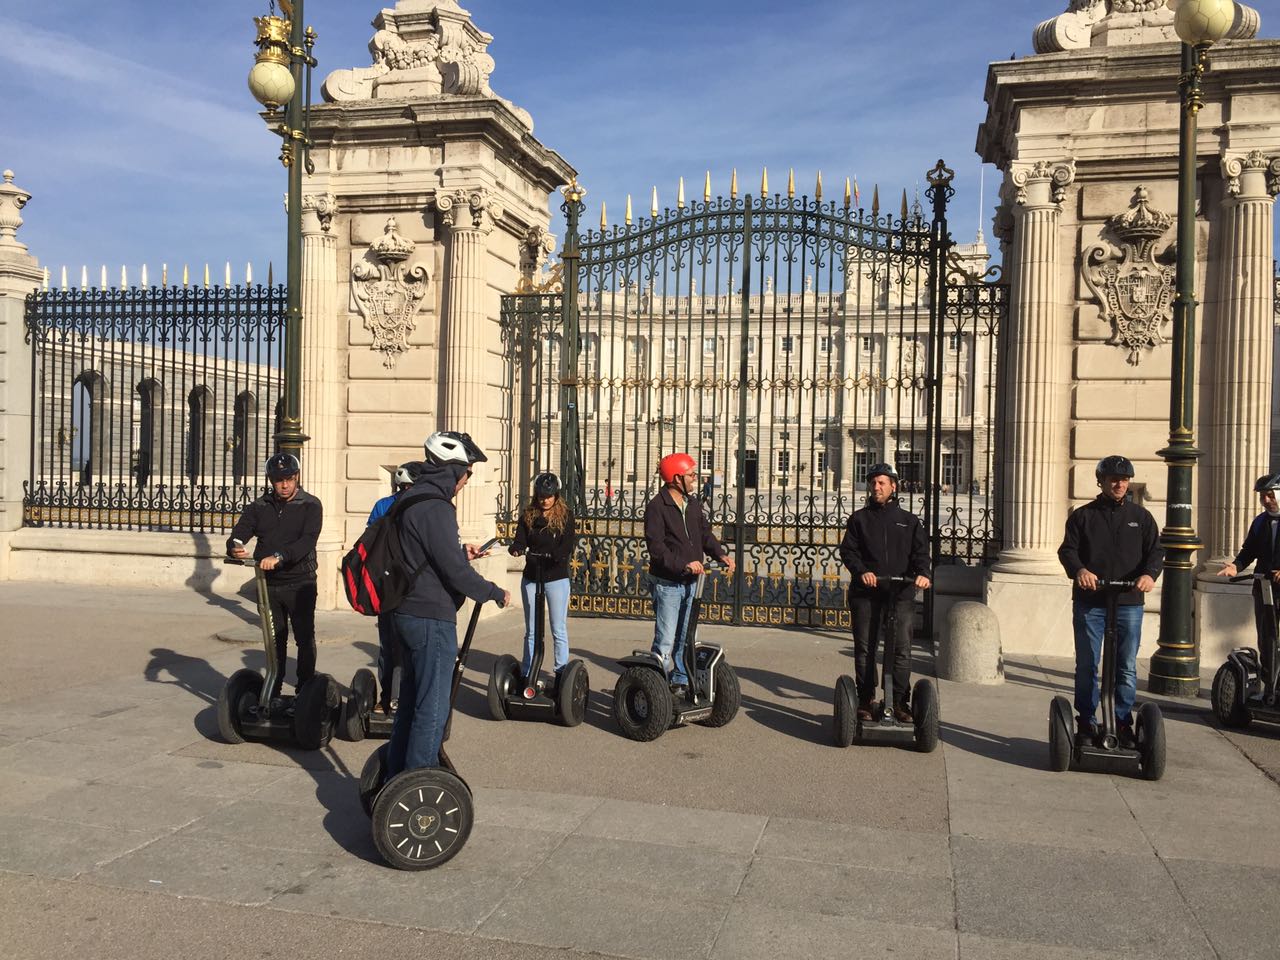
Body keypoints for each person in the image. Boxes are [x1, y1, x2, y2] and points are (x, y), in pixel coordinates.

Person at [386, 430, 510, 777]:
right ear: (453, 470)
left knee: (410, 704)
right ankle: (419, 786)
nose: (468, 480)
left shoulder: (410, 499)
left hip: (407, 611)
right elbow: (454, 573)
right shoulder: (436, 508)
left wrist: (460, 551)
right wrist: (493, 592)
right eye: (467, 472)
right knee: (433, 709)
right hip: (430, 617)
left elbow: (424, 554)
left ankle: (395, 778)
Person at [1057, 455, 1162, 747]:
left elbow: (1156, 552)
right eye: (1114, 479)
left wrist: (1149, 575)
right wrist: (1080, 570)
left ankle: (1121, 721)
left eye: (1125, 479)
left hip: (1128, 601)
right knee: (1088, 663)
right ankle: (1087, 722)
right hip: (1092, 602)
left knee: (1126, 665)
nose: (1120, 484)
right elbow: (1068, 551)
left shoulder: (1141, 518)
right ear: (1101, 481)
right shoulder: (1083, 516)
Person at [226, 453, 323, 705]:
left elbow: (307, 541)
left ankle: (305, 688)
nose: (284, 485)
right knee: (274, 638)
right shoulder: (259, 506)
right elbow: (240, 532)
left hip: (300, 583)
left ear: (297, 477)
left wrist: (280, 556)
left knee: (303, 637)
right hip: (268, 584)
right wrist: (234, 546)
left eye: (289, 479)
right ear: (271, 480)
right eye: (278, 480)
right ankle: (274, 690)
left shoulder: (311, 505)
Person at [838, 462, 931, 722]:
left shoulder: (909, 521)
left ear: (893, 486)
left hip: (900, 593)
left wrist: (923, 574)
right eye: (873, 483)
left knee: (901, 649)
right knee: (865, 648)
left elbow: (921, 554)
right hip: (866, 593)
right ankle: (866, 699)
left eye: (882, 483)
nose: (876, 487)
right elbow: (848, 551)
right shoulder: (859, 519)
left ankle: (900, 701)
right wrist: (861, 572)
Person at [643, 452, 735, 697]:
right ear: (675, 478)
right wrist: (684, 564)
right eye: (691, 475)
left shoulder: (692, 503)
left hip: (691, 582)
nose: (696, 478)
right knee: (666, 638)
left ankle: (681, 679)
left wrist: (719, 554)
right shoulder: (656, 507)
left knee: (688, 635)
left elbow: (703, 533)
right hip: (668, 583)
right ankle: (657, 688)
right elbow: (657, 548)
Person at [509, 472, 577, 687]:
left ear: (556, 495)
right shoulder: (528, 515)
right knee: (532, 630)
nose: (545, 500)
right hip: (532, 577)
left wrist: (559, 555)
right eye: (541, 496)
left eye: (548, 496)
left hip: (556, 577)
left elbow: (567, 544)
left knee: (558, 628)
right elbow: (520, 539)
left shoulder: (566, 516)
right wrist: (517, 548)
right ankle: (528, 672)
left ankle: (561, 673)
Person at [366, 461, 424, 713]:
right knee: (389, 645)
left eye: (409, 487)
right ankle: (387, 696)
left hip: (415, 585)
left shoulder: (425, 509)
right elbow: (368, 542)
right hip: (388, 583)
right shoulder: (383, 506)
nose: (405, 491)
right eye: (403, 487)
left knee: (409, 645)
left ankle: (408, 697)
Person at [1217, 472, 1280, 687]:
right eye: (1263, 496)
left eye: (1270, 495)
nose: (1266, 500)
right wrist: (1236, 566)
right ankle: (1270, 683)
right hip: (1264, 586)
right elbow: (1249, 550)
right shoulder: (1261, 522)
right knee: (1267, 636)